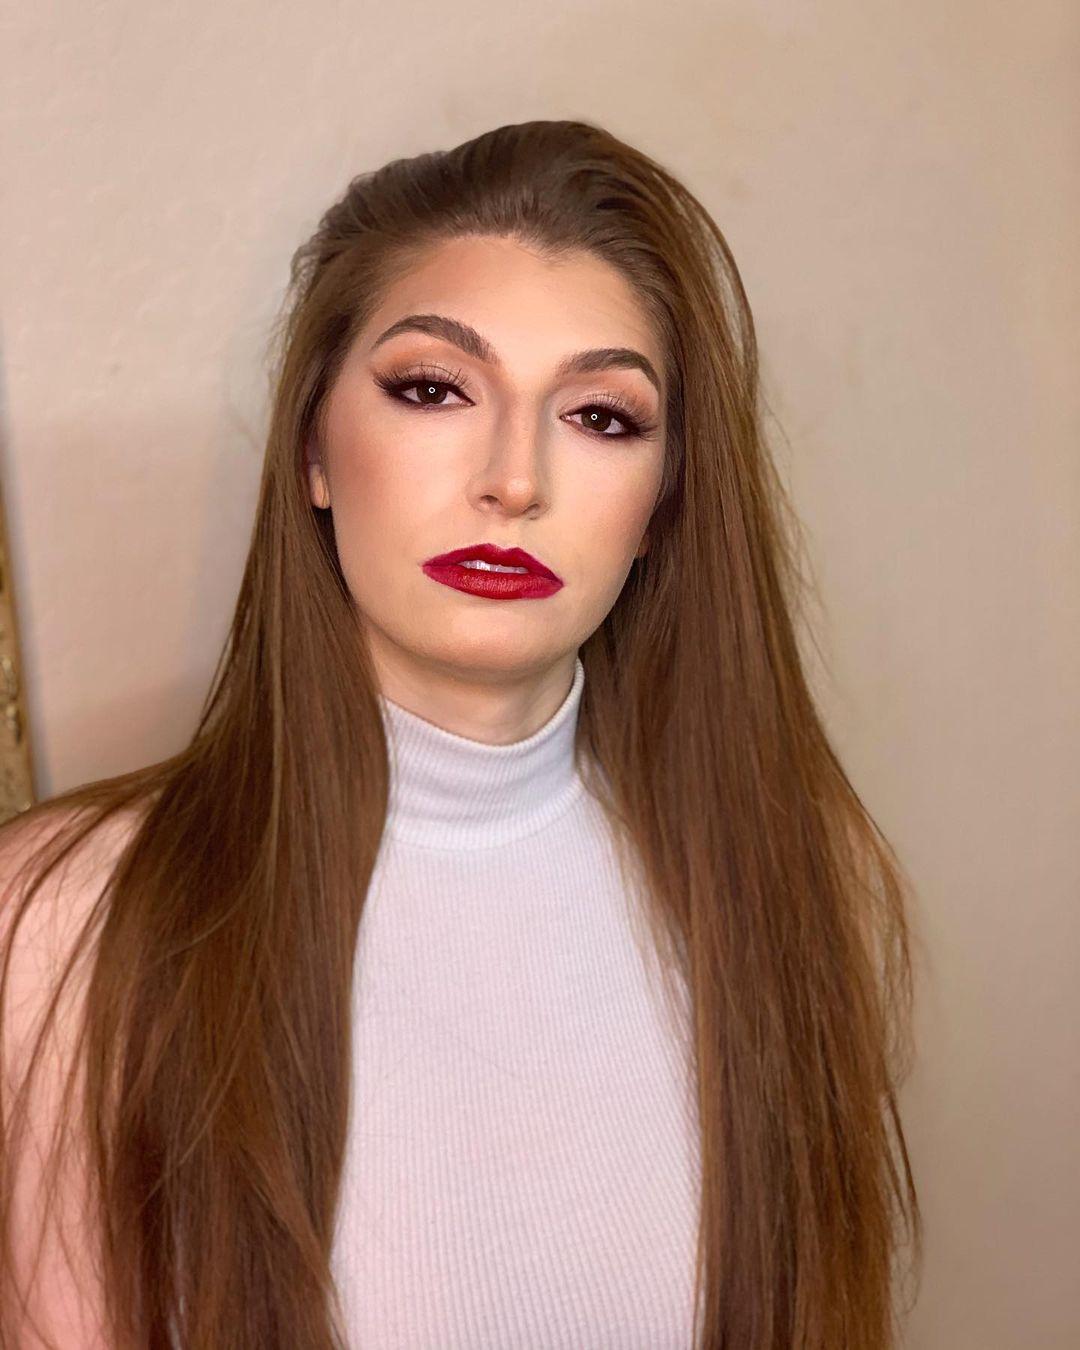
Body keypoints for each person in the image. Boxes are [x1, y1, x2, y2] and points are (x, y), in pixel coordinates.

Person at [0, 119, 922, 1349]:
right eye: (433, 389)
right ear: (314, 450)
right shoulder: (60, 923)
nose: (513, 478)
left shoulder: (796, 881)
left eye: (601, 416)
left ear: (661, 509)